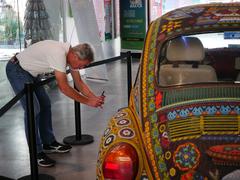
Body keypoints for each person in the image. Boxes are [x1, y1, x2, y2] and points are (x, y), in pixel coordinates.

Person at [5, 40, 105, 167]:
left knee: (45, 105)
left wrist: (94, 98)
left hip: (30, 73)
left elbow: (78, 82)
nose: (81, 68)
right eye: (82, 65)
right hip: (16, 69)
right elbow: (63, 87)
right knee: (33, 109)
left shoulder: (70, 54)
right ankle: (36, 152)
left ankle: (48, 143)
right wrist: (88, 102)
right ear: (75, 56)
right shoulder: (59, 54)